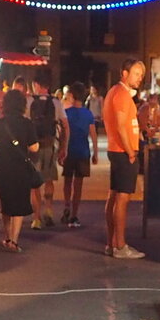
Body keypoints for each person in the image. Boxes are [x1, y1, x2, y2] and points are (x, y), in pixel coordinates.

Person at [102, 60, 147, 259]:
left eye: (141, 74)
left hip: (118, 150)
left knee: (114, 196)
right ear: (124, 73)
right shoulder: (120, 94)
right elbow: (121, 126)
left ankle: (113, 243)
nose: (140, 78)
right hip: (122, 151)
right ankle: (120, 245)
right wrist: (130, 151)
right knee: (122, 199)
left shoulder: (118, 93)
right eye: (136, 73)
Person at [0, 90, 40, 252]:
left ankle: (7, 236)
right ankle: (14, 240)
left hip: (3, 168)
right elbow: (34, 147)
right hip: (21, 169)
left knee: (6, 203)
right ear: (22, 105)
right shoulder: (27, 123)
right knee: (19, 204)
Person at [61, 83, 98, 229]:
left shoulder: (66, 113)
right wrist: (95, 152)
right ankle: (74, 215)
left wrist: (61, 150)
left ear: (72, 95)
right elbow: (93, 134)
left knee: (67, 181)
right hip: (83, 152)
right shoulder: (87, 114)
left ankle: (66, 206)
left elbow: (63, 134)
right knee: (78, 185)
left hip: (69, 151)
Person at [28, 78, 64, 229]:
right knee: (49, 179)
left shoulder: (29, 101)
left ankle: (36, 218)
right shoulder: (56, 102)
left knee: (35, 183)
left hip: (34, 146)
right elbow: (65, 126)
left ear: (36, 84)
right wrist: (63, 147)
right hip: (50, 145)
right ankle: (48, 210)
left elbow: (25, 123)